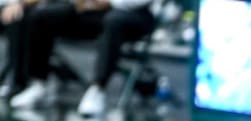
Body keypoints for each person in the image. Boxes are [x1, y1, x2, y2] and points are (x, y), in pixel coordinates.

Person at [8, 0, 156, 115]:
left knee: (113, 21)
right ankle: (40, 84)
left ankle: (98, 89)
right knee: (41, 17)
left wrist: (109, 2)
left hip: (131, 13)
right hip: (93, 10)